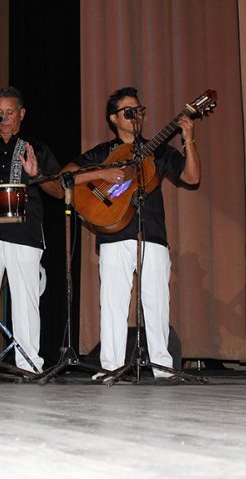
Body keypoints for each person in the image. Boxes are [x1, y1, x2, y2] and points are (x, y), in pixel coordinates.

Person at [61, 87, 200, 379]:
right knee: (112, 303)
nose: (136, 115)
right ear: (114, 118)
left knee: (157, 302)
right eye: (128, 111)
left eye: (139, 110)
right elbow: (67, 177)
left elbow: (191, 177)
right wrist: (101, 173)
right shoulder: (103, 152)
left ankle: (162, 366)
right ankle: (110, 367)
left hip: (152, 234)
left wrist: (188, 139)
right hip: (113, 235)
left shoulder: (159, 149)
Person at [0, 86, 63, 373]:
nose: (3, 118)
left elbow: (59, 191)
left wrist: (37, 175)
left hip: (25, 235)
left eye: (9, 112)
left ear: (21, 114)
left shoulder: (37, 150)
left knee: (25, 303)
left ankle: (29, 364)